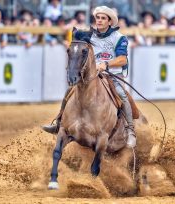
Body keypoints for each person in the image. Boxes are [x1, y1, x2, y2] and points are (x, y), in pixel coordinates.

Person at [42, 6, 136, 148]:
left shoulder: (119, 38)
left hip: (113, 75)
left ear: (110, 22)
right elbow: (75, 42)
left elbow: (122, 59)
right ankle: (59, 123)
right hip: (92, 75)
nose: (99, 20)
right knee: (70, 91)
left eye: (103, 18)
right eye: (97, 17)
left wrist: (106, 64)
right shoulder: (89, 35)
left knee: (122, 94)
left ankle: (130, 131)